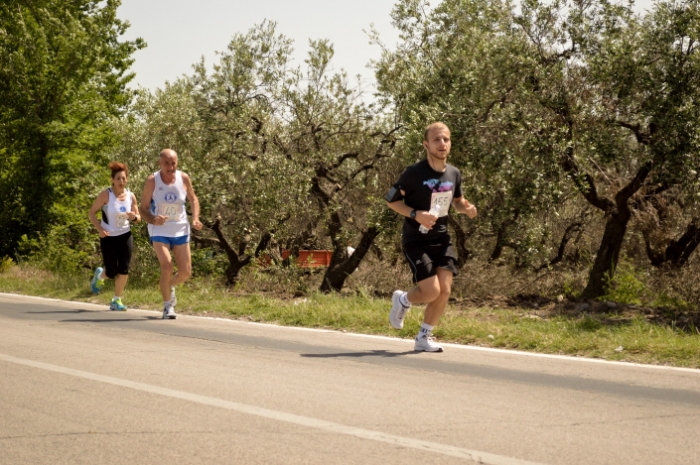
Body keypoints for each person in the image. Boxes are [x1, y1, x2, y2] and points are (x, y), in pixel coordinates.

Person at [385, 122, 478, 352]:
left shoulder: (454, 173)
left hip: (442, 239)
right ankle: (403, 300)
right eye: (436, 139)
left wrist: (466, 208)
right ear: (426, 144)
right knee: (431, 291)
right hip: (416, 241)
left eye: (445, 139)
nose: (442, 143)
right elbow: (391, 200)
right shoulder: (414, 173)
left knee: (444, 290)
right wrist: (416, 214)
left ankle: (423, 337)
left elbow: (456, 201)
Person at [139, 149, 202, 319]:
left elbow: (194, 199)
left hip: (180, 228)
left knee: (185, 273)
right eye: (166, 163)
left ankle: (168, 286)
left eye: (173, 163)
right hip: (159, 229)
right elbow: (143, 209)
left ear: (177, 163)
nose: (170, 166)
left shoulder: (184, 178)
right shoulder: (152, 181)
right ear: (160, 163)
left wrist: (195, 218)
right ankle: (168, 307)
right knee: (167, 265)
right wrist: (153, 219)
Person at [88, 161, 141, 311]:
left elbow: (138, 218)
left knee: (124, 269)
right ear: (112, 180)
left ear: (127, 180)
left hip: (125, 235)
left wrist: (133, 217)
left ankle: (116, 300)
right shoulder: (106, 195)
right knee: (111, 272)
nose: (121, 181)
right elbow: (91, 213)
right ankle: (99, 277)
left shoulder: (131, 196)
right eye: (118, 178)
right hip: (108, 237)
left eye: (124, 178)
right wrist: (99, 229)